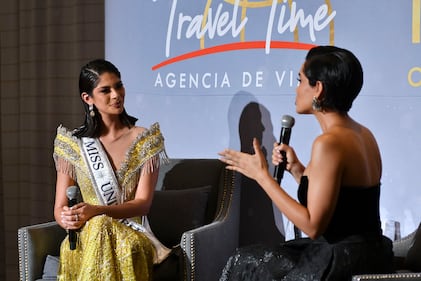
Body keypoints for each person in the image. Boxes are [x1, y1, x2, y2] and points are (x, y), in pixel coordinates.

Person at [218, 46, 394, 280]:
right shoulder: (363, 134)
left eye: (300, 81)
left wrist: (262, 176)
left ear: (318, 89)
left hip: (341, 260)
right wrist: (297, 169)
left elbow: (312, 225)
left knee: (245, 261)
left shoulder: (328, 144)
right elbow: (345, 205)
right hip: (372, 253)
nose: (296, 88)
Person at [53, 59, 170, 280]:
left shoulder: (144, 139)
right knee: (97, 227)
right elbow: (59, 207)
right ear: (88, 99)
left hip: (131, 237)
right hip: (85, 237)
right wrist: (66, 218)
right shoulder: (73, 144)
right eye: (105, 90)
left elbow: (142, 204)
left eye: (119, 86)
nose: (116, 95)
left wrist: (97, 211)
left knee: (100, 224)